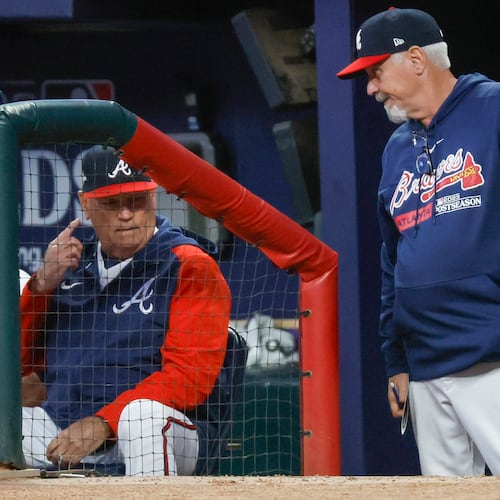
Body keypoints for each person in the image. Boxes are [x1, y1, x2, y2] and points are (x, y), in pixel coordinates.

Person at [337, 8, 500, 476]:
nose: (370, 88)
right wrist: (396, 361)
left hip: (490, 355)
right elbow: (393, 262)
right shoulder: (396, 149)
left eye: (375, 71)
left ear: (414, 59)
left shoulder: (491, 109)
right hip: (427, 366)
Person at [19, 145, 239, 476]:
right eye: (111, 203)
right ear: (86, 205)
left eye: (136, 201)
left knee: (142, 417)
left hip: (164, 431)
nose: (126, 214)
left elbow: (188, 378)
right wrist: (40, 288)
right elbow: (25, 371)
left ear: (153, 198)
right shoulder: (69, 266)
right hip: (65, 427)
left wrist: (104, 422)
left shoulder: (188, 264)